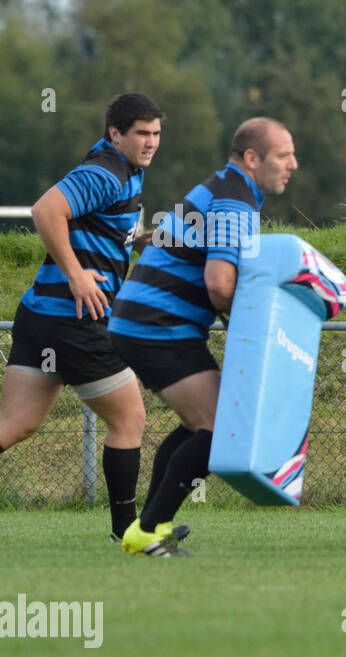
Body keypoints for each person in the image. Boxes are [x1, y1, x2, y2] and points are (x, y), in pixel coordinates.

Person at [108, 117, 298, 556]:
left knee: (200, 425)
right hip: (156, 326)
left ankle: (153, 525)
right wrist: (255, 331)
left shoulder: (225, 186)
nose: (293, 165)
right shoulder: (234, 200)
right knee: (221, 428)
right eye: (284, 155)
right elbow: (218, 283)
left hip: (148, 322)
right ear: (252, 158)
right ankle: (148, 531)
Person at [0, 92, 162, 544]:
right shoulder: (105, 171)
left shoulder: (128, 170)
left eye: (156, 134)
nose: (150, 142)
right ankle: (130, 533)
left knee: (16, 425)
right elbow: (45, 210)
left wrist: (141, 242)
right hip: (75, 320)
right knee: (129, 420)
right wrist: (76, 276)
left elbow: (99, 230)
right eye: (141, 134)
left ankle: (128, 531)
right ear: (116, 133)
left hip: (40, 315)